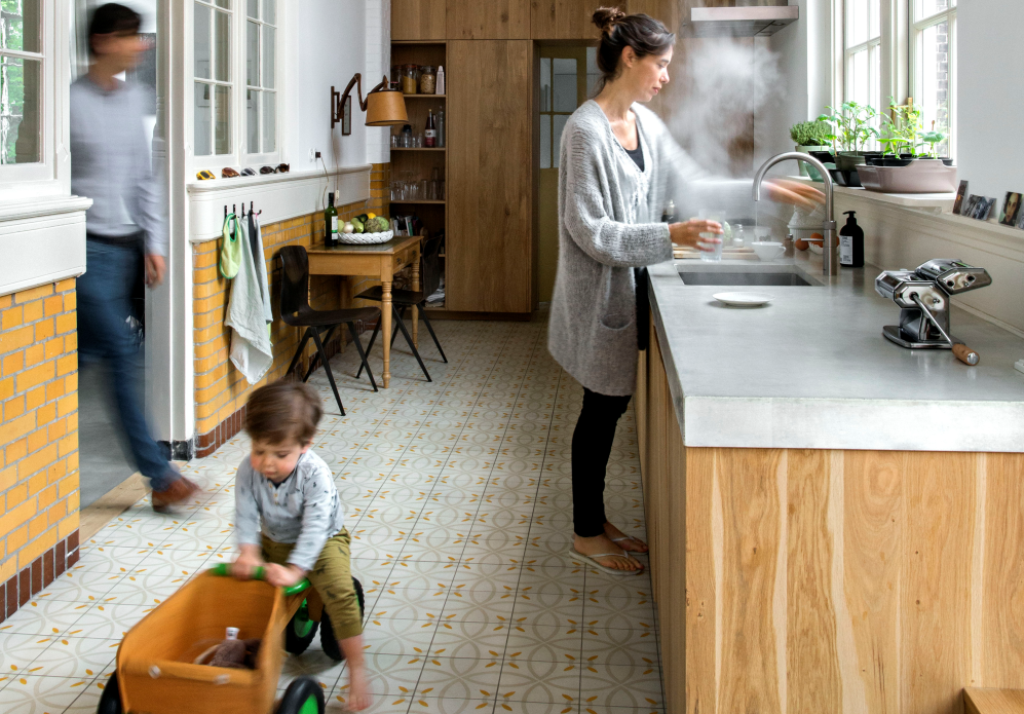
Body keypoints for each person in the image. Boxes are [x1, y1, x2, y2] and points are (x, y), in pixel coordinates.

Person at [549, 7, 823, 575]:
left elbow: (693, 184)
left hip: (630, 288)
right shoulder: (584, 132)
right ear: (631, 58)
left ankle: (596, 521)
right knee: (600, 412)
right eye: (662, 64)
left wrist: (765, 187)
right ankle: (584, 532)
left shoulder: (647, 126)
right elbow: (591, 232)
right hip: (599, 297)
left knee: (607, 409)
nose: (667, 76)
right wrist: (670, 236)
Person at [72, 3, 200, 512]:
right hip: (85, 249)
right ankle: (161, 476)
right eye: (131, 36)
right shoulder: (68, 102)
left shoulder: (136, 100)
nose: (141, 45)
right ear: (103, 41)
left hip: (126, 249)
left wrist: (154, 243)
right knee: (123, 355)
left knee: (84, 356)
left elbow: (145, 180)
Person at [231, 381, 370, 711]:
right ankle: (247, 659)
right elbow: (245, 515)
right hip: (274, 539)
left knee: (340, 593)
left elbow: (315, 528)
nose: (267, 463)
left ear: (305, 444)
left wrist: (296, 570)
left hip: (323, 541)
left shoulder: (315, 474)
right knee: (249, 590)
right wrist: (248, 551)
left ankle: (357, 670)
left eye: (280, 454)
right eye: (259, 450)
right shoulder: (248, 471)